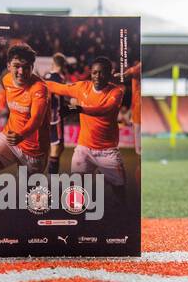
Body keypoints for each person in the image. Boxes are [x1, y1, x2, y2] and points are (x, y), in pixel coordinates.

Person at [41, 55, 127, 209]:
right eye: (94, 72)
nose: (97, 76)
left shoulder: (116, 92)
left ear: (109, 73)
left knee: (120, 190)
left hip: (107, 151)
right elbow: (58, 88)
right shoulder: (82, 87)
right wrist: (33, 81)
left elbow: (103, 110)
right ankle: (78, 222)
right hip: (84, 149)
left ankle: (122, 214)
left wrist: (78, 108)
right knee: (76, 190)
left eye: (101, 73)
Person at [0, 43, 49, 198]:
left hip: (34, 150)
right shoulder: (6, 80)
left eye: (26, 67)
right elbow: (7, 94)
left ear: (32, 67)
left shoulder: (39, 88)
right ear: (8, 66)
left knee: (29, 199)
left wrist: (21, 135)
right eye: (16, 66)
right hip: (9, 138)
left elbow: (36, 120)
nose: (21, 71)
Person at [45, 52, 71, 174]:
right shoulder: (60, 79)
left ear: (53, 63)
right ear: (63, 65)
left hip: (46, 117)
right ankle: (52, 180)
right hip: (56, 119)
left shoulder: (47, 76)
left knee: (56, 148)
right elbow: (65, 98)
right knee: (56, 148)